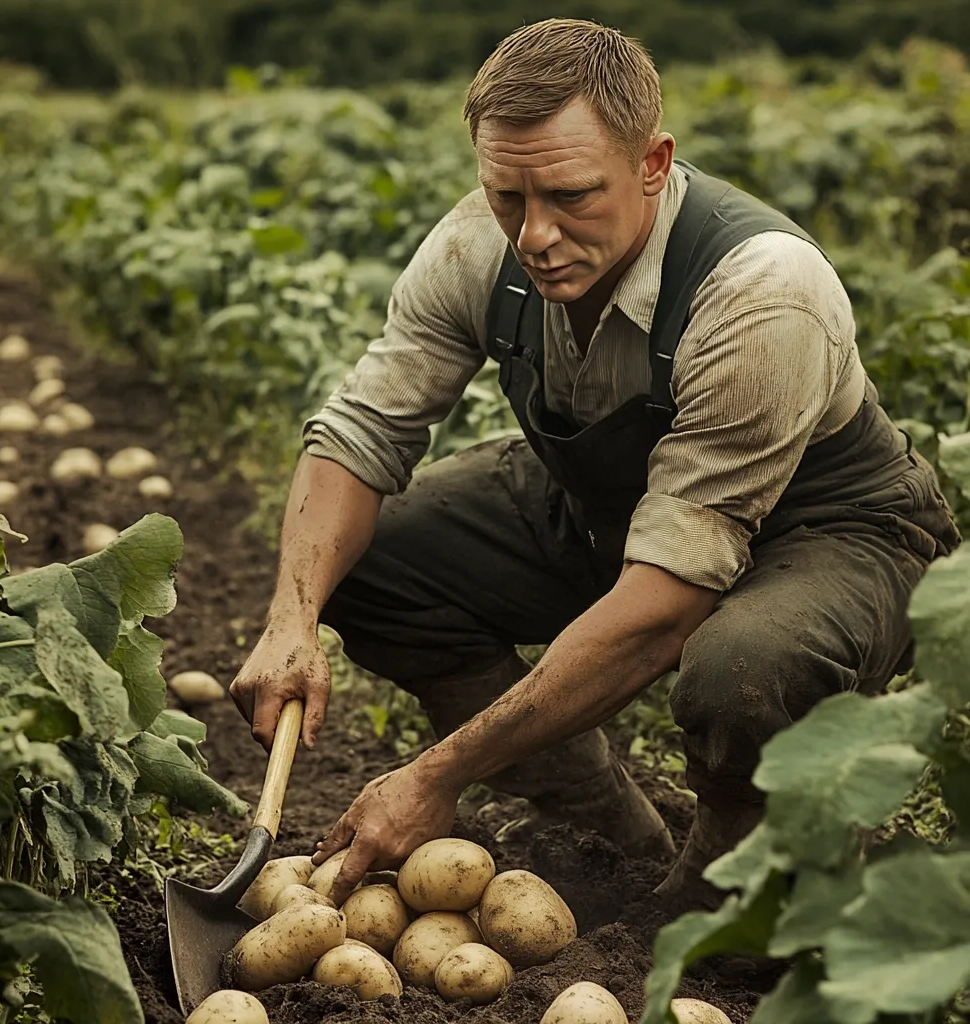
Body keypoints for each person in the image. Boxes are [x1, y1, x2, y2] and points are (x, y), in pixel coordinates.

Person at [229, 18, 960, 908]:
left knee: (743, 669)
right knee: (375, 560)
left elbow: (667, 606)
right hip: (617, 507)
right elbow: (358, 430)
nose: (534, 234)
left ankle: (733, 879)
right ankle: (597, 822)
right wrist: (292, 619)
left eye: (573, 195)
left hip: (827, 530)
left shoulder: (762, 290)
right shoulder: (477, 246)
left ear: (653, 163)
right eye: (509, 196)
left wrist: (437, 774)